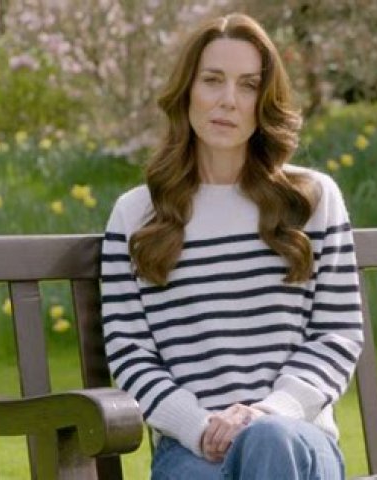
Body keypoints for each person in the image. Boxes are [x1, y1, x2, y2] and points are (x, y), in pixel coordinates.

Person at [101, 12, 363, 480]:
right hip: (190, 450)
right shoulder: (137, 215)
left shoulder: (311, 201)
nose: (228, 100)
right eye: (212, 80)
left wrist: (267, 412)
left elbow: (337, 333)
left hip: (297, 438)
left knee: (269, 441)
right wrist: (200, 426)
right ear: (187, 91)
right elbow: (130, 352)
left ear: (265, 101)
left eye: (248, 86)